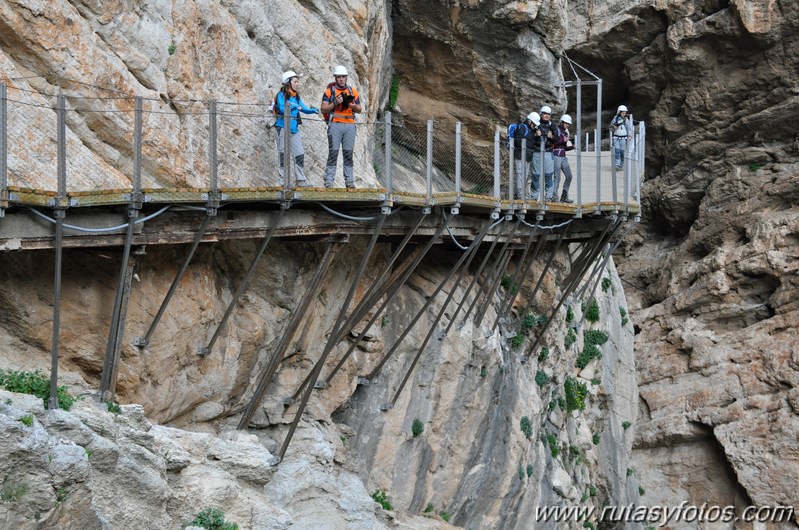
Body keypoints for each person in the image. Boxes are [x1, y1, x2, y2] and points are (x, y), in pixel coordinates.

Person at [274, 70, 319, 187]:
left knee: (299, 153)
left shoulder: (296, 96)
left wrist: (312, 110)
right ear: (288, 82)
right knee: (283, 154)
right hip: (282, 127)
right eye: (295, 82)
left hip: (294, 128)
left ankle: (300, 179)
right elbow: (283, 109)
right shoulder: (281, 95)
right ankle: (281, 181)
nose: (297, 84)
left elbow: (302, 108)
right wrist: (294, 106)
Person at [320, 65, 362, 188]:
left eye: (343, 77)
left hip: (350, 124)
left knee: (348, 153)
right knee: (333, 153)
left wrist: (353, 106)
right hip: (335, 125)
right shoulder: (329, 91)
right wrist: (335, 103)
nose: (341, 79)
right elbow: (323, 108)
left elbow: (359, 109)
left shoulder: (352, 91)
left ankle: (349, 182)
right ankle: (329, 181)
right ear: (336, 78)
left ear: (346, 78)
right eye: (339, 77)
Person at [531, 105, 558, 201]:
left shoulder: (552, 125)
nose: (546, 115)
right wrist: (535, 135)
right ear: (541, 114)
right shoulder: (536, 123)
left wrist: (552, 137)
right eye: (545, 114)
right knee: (536, 175)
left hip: (548, 152)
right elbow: (529, 138)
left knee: (548, 175)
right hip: (537, 151)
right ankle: (534, 196)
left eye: (548, 114)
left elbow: (557, 141)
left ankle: (549, 197)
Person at [509, 112, 538, 199]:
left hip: (527, 157)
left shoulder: (531, 130)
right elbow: (517, 141)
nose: (535, 126)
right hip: (520, 155)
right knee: (520, 175)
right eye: (534, 124)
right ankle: (520, 195)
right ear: (530, 122)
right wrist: (527, 145)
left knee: (524, 176)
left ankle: (520, 194)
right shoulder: (523, 127)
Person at [553, 114, 575, 203]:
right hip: (556, 156)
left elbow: (563, 147)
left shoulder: (565, 133)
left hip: (563, 156)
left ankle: (564, 196)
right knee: (557, 177)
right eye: (566, 123)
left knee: (569, 176)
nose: (567, 125)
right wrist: (563, 140)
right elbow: (554, 142)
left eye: (568, 124)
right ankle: (554, 197)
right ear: (562, 122)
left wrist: (571, 147)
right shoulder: (556, 130)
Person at [610, 104, 631, 170]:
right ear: (619, 112)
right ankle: (617, 164)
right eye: (622, 113)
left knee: (622, 151)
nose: (624, 114)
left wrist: (629, 135)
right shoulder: (614, 120)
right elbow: (611, 128)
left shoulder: (626, 120)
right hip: (616, 137)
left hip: (623, 138)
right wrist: (614, 127)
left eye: (625, 113)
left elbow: (629, 128)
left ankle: (622, 164)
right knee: (617, 150)